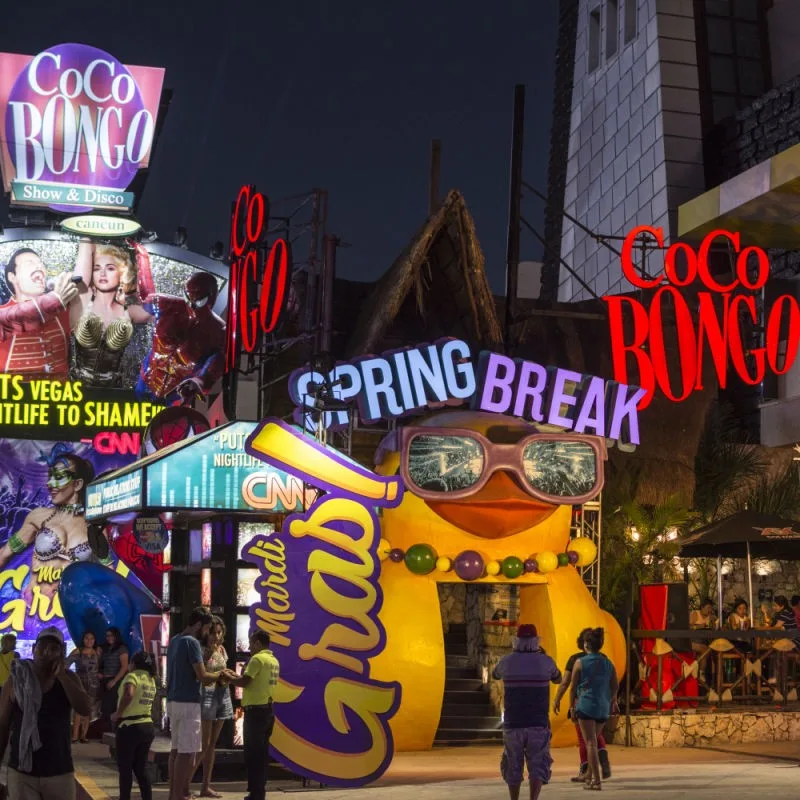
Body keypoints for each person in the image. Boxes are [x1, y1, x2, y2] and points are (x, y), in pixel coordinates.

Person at [0, 625, 91, 800]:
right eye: (42, 647)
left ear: (62, 653)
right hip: (22, 772)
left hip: (59, 772)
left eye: (53, 648)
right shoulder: (16, 680)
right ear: (34, 649)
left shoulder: (69, 679)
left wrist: (62, 676)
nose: (46, 653)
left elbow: (85, 708)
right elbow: (2, 725)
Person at [0, 444, 96, 600]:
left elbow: (108, 571)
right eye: (50, 476)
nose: (50, 483)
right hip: (34, 612)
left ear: (77, 484)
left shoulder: (96, 524)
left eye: (58, 477)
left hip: (74, 613)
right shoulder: (38, 517)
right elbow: (4, 553)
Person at [491, 624, 561, 800]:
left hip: (513, 723)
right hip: (538, 723)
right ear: (536, 640)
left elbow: (495, 674)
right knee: (537, 765)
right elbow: (558, 678)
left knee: (513, 763)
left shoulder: (507, 661)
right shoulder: (546, 661)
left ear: (517, 640)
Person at [135, 271, 226, 403]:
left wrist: (198, 382)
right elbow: (143, 297)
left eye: (199, 301)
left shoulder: (219, 333)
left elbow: (212, 370)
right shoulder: (165, 305)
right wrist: (141, 256)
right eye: (188, 297)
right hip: (145, 382)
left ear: (212, 298)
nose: (191, 305)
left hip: (175, 395)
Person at [71, 239, 151, 388]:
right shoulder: (83, 298)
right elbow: (80, 278)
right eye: (96, 268)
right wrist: (87, 238)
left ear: (123, 273)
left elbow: (155, 309)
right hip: (77, 392)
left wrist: (143, 259)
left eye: (110, 268)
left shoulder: (129, 311)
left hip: (112, 397)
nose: (102, 273)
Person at [167, 607, 222, 800]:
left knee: (175, 750)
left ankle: (173, 793)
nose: (207, 633)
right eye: (207, 628)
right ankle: (178, 795)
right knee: (187, 752)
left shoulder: (175, 640)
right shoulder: (192, 643)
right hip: (188, 702)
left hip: (173, 701)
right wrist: (221, 675)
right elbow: (203, 676)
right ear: (199, 625)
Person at [0, 248, 79, 377]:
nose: (39, 266)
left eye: (41, 263)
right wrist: (54, 299)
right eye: (29, 263)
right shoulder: (3, 312)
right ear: (12, 276)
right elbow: (13, 317)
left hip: (59, 394)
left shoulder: (62, 310)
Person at [225, 630, 280, 800]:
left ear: (257, 643)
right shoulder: (273, 660)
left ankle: (255, 793)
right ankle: (259, 791)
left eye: (251, 643)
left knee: (253, 754)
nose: (249, 647)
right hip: (268, 711)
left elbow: (245, 682)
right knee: (262, 754)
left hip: (255, 712)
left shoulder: (257, 659)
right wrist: (235, 675)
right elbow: (254, 680)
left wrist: (227, 678)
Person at [553, 628, 611, 783]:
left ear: (583, 643)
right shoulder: (604, 659)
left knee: (584, 738)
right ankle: (603, 757)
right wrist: (613, 701)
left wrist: (557, 699)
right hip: (601, 704)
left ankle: (585, 770)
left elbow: (566, 683)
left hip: (583, 703)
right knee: (596, 736)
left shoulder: (576, 660)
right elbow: (611, 684)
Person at [570, 628, 618, 791]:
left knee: (590, 743)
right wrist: (610, 700)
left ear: (586, 644)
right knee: (595, 739)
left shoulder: (580, 662)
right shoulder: (608, 663)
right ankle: (590, 776)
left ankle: (596, 781)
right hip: (603, 708)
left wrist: (571, 707)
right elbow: (615, 686)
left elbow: (572, 687)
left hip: (585, 706)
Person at [111, 651, 158, 800]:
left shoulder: (132, 676)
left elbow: (129, 694)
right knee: (141, 768)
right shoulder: (151, 680)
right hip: (147, 726)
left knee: (125, 769)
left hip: (129, 727)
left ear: (134, 664)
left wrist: (118, 713)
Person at [198, 617, 233, 798]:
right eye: (212, 632)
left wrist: (228, 676)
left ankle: (205, 786)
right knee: (204, 744)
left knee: (212, 745)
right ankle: (184, 782)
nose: (216, 636)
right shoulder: (203, 650)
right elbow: (202, 674)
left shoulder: (222, 649)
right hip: (207, 694)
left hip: (223, 693)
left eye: (219, 632)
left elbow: (222, 671)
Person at [67, 631, 102, 742]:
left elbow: (102, 666)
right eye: (87, 638)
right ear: (83, 639)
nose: (89, 640)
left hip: (93, 684)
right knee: (78, 709)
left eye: (92, 638)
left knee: (88, 710)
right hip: (80, 682)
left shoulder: (97, 652)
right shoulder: (78, 651)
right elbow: (66, 663)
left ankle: (83, 736)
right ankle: (75, 735)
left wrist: (100, 674)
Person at [100, 627, 129, 725]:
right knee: (105, 707)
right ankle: (106, 729)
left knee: (113, 705)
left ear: (116, 636)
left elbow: (124, 667)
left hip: (116, 680)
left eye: (111, 635)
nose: (109, 638)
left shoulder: (122, 648)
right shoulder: (106, 649)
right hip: (105, 679)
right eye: (107, 636)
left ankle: (114, 729)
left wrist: (114, 681)